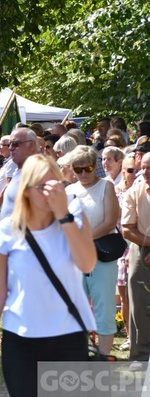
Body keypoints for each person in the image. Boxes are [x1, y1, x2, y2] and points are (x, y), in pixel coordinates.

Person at [0, 154, 97, 397]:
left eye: (56, 185)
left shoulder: (73, 217)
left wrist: (64, 216)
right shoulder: (6, 232)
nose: (50, 193)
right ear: (26, 190)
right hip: (21, 341)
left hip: (69, 337)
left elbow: (87, 265)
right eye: (42, 187)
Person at [65, 145, 119, 355]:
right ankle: (78, 355)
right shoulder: (69, 190)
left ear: (94, 166)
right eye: (77, 170)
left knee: (104, 308)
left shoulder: (106, 186)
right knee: (75, 310)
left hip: (101, 258)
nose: (83, 174)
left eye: (87, 168)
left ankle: (103, 358)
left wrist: (83, 240)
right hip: (75, 258)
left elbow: (109, 222)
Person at [121, 152, 150, 363]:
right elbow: (127, 230)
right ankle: (140, 356)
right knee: (139, 305)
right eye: (144, 168)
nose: (145, 173)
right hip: (141, 248)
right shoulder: (135, 192)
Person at [115, 154, 135, 351]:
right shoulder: (117, 192)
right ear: (123, 171)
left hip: (140, 245)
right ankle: (130, 336)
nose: (134, 174)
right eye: (130, 170)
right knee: (124, 295)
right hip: (122, 247)